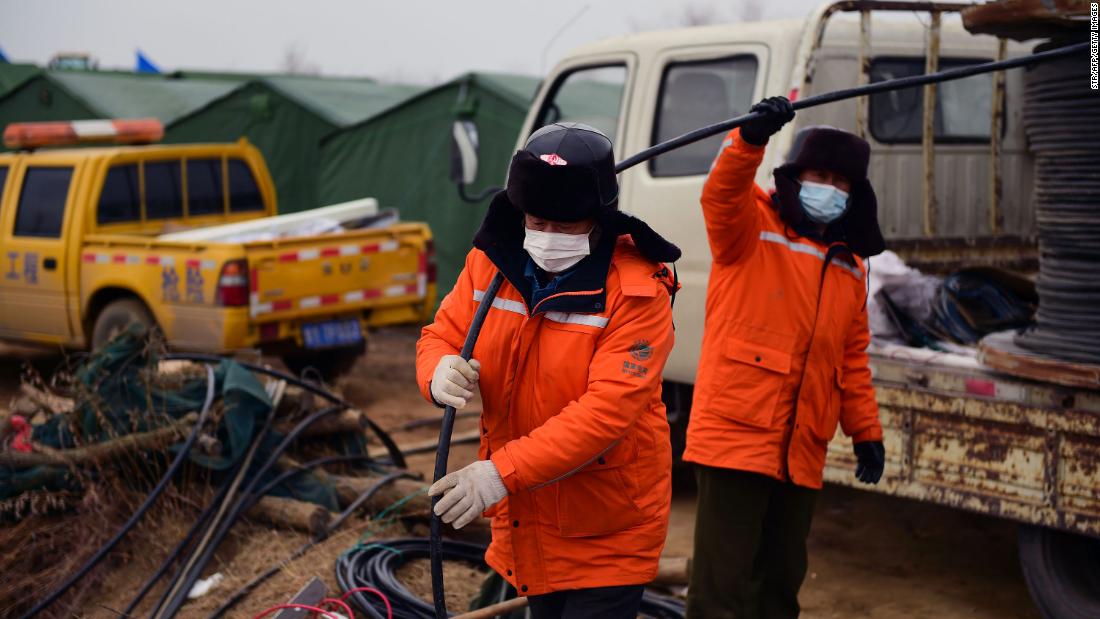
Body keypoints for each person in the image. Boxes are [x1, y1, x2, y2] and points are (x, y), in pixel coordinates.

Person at [417, 122, 681, 619]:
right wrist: (437, 371)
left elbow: (605, 413)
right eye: (536, 222)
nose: (546, 238)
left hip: (608, 526)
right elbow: (441, 334)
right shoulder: (490, 264)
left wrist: (500, 473)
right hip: (529, 517)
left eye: (564, 227)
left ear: (598, 219)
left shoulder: (639, 291)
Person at [684, 97, 888, 619]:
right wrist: (748, 140)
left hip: (803, 447)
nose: (831, 189)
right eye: (820, 174)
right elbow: (720, 193)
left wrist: (865, 431)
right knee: (720, 592)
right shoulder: (751, 226)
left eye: (843, 182)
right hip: (735, 435)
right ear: (796, 176)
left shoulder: (850, 264)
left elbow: (852, 355)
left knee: (779, 588)